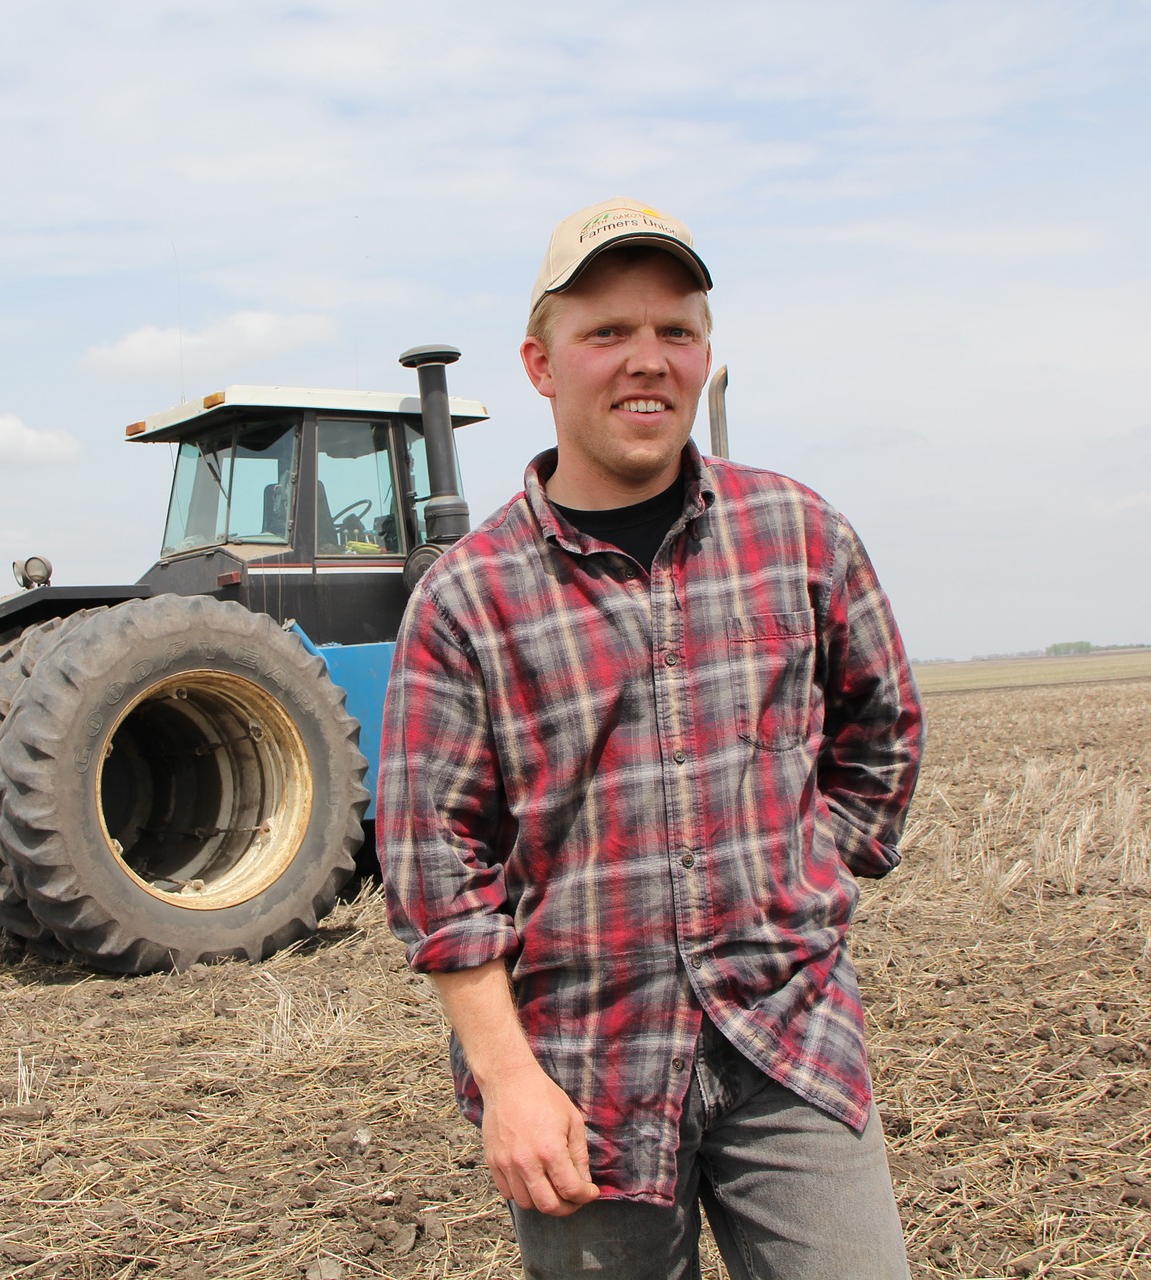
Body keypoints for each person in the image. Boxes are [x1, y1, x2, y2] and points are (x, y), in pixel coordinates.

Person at [377, 198, 925, 1279]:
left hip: (789, 1041)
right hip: (582, 1077)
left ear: (706, 355)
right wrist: (508, 1081)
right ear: (541, 363)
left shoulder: (799, 533)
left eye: (675, 331)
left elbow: (883, 728)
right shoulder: (467, 597)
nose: (647, 360)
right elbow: (437, 868)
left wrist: (810, 866)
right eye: (607, 333)